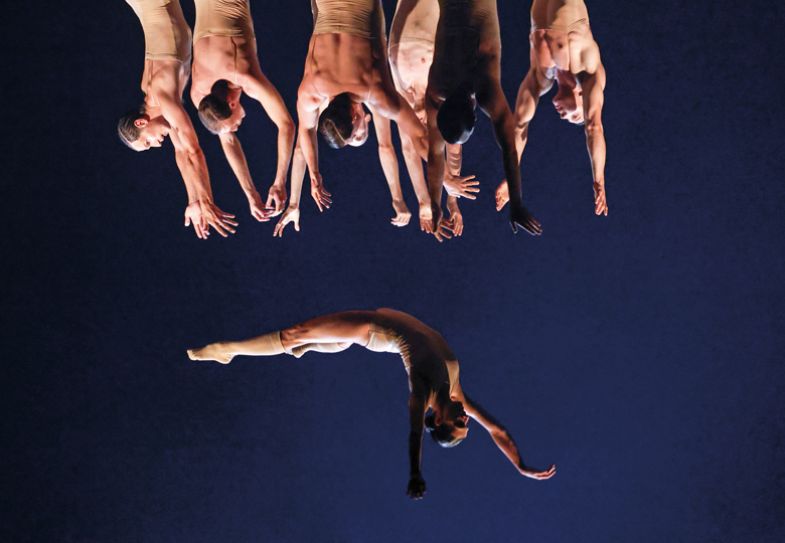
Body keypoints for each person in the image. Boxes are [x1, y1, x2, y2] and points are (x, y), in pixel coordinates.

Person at [187, 308, 557, 499]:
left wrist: (415, 473)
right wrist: (520, 465)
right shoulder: (456, 391)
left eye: (459, 424)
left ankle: (228, 351)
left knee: (296, 332)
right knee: (321, 341)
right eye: (466, 423)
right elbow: (498, 429)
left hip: (372, 327)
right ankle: (308, 348)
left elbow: (414, 434)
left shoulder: (423, 393)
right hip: (377, 333)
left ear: (439, 421)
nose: (466, 419)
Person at [296, 0, 436, 232]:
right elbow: (306, 130)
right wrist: (314, 175)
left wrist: (443, 180)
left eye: (359, 130)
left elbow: (412, 139)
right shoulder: (312, 88)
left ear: (355, 116)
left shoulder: (372, 90)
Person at [118, 0, 238, 239]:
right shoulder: (160, 103)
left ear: (141, 122)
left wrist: (207, 200)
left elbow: (193, 151)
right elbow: (181, 153)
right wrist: (194, 199)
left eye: (148, 142)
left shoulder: (162, 95)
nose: (158, 144)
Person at [426, 0, 543, 238]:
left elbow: (510, 147)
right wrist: (434, 203)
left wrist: (517, 202)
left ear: (474, 107)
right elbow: (434, 154)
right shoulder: (436, 87)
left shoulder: (484, 82)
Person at [495, 0, 608, 217]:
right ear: (582, 96)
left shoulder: (540, 77)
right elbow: (594, 127)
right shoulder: (588, 71)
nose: (564, 116)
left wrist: (512, 179)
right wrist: (599, 179)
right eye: (575, 115)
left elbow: (519, 126)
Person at [190, 0, 296, 222]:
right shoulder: (200, 96)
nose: (237, 127)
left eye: (235, 125)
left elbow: (286, 125)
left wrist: (280, 182)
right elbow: (227, 141)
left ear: (231, 104)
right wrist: (250, 193)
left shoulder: (245, 76)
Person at [389, 0, 481, 238]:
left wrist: (429, 203)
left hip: (410, 50)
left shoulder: (426, 104)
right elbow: (451, 147)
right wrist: (447, 199)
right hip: (415, 48)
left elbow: (411, 149)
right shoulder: (437, 100)